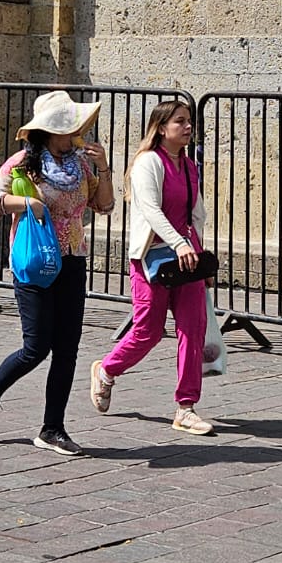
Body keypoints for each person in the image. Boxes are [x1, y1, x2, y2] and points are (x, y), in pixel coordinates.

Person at [0, 90, 115, 455]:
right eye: (69, 128)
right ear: (50, 131)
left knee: (67, 349)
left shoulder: (80, 166)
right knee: (36, 347)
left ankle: (53, 428)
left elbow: (104, 204)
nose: (76, 134)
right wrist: (25, 202)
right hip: (35, 262)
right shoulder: (23, 163)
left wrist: (105, 167)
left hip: (72, 260)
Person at [89, 99, 213, 435]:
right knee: (148, 331)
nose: (188, 127)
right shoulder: (147, 163)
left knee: (193, 329)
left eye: (189, 122)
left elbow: (197, 213)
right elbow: (151, 210)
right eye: (180, 122)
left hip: (187, 258)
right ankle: (106, 370)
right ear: (161, 128)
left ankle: (186, 407)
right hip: (152, 258)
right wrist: (179, 243)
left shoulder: (188, 166)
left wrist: (198, 252)